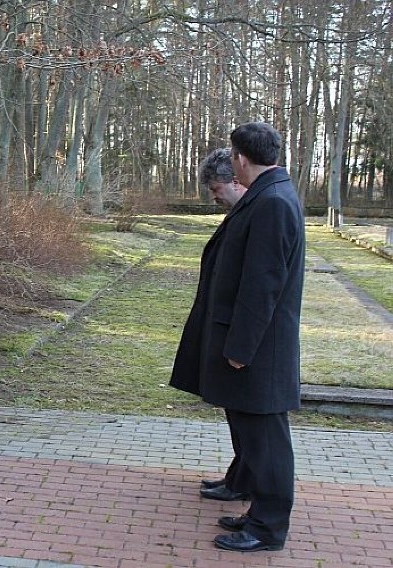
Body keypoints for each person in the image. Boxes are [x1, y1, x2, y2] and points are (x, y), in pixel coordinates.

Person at [170, 123, 305, 552]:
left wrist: (241, 350)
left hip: (259, 350)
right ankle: (257, 514)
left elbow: (262, 285)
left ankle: (266, 529)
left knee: (267, 442)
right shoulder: (269, 196)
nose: (230, 162)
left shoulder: (273, 202)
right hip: (255, 346)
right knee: (256, 438)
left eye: (231, 156)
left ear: (242, 159)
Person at [170, 148, 250, 503]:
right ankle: (239, 478)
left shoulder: (260, 211)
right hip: (225, 327)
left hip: (240, 336)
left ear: (236, 180)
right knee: (237, 416)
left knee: (249, 420)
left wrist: (240, 344)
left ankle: (245, 482)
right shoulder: (243, 212)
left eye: (217, 189)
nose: (214, 196)